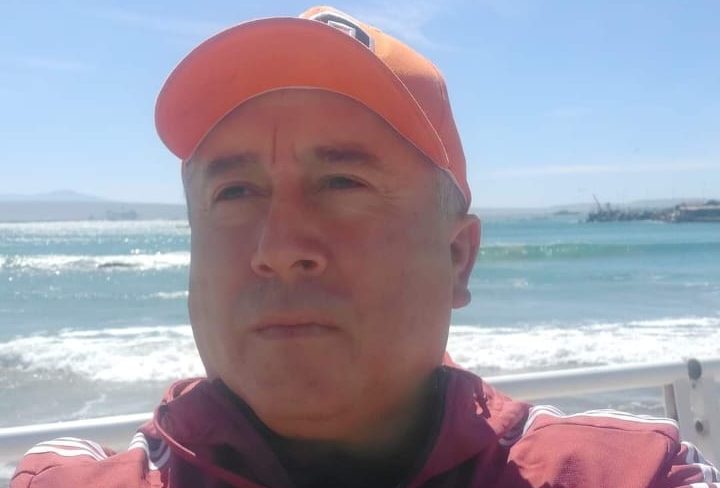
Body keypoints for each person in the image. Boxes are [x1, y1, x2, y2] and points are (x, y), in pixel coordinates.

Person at [11, 5, 719, 488]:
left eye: (341, 182)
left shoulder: (627, 472)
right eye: (234, 192)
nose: (278, 247)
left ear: (458, 258)